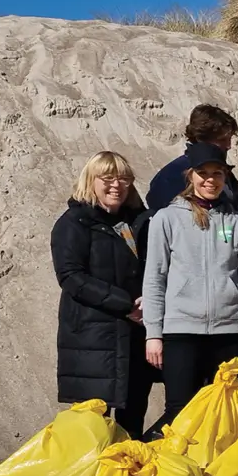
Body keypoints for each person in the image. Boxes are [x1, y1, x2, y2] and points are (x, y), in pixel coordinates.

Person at [143, 143, 238, 423]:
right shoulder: (166, 219)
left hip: (230, 332)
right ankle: (181, 468)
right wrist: (153, 334)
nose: (210, 180)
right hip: (181, 332)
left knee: (227, 415)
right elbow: (154, 278)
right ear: (190, 176)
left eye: (217, 173)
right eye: (203, 173)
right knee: (181, 413)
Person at [51, 151, 153, 437]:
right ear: (90, 181)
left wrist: (151, 300)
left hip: (135, 336)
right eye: (107, 178)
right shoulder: (74, 223)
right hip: (93, 340)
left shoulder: (140, 223)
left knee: (133, 419)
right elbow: (71, 277)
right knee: (92, 429)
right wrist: (125, 305)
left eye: (124, 179)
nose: (116, 185)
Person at [146, 105, 238, 215]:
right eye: (222, 140)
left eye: (229, 139)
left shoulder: (225, 174)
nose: (229, 146)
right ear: (201, 139)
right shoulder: (173, 175)